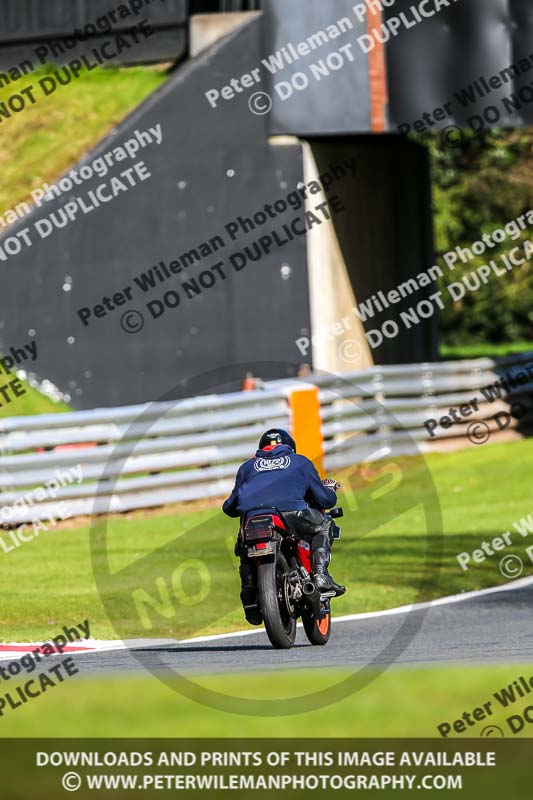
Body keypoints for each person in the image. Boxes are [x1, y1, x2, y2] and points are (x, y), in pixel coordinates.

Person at [222, 428, 345, 625]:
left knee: (243, 544)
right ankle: (320, 574)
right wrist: (329, 489)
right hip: (291, 513)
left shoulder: (247, 467)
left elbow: (230, 507)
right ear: (290, 447)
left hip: (253, 518)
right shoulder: (300, 461)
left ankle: (249, 589)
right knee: (325, 523)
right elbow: (325, 500)